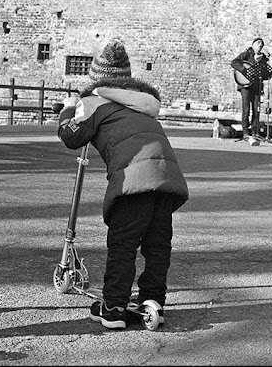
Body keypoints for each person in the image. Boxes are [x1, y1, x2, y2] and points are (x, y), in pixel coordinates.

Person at [57, 41, 189, 329]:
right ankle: (153, 300)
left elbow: (71, 136)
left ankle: (114, 306)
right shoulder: (142, 103)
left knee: (123, 243)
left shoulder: (94, 102)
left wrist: (67, 110)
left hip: (135, 179)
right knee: (157, 243)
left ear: (96, 79)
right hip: (166, 177)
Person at [230, 38, 272, 138]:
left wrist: (270, 73)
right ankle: (246, 132)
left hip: (256, 86)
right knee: (246, 109)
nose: (260, 45)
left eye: (262, 44)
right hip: (245, 86)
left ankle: (255, 132)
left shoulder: (263, 58)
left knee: (256, 109)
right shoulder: (246, 54)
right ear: (253, 44)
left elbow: (263, 74)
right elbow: (234, 62)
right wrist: (244, 70)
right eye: (258, 43)